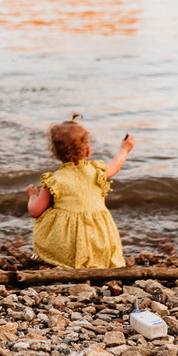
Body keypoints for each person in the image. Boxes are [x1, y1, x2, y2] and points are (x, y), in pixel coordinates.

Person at [24, 114, 133, 269]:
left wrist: (32, 196)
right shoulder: (97, 170)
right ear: (88, 151)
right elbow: (116, 165)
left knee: (48, 216)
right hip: (100, 236)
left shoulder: (54, 180)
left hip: (68, 241)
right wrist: (125, 149)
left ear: (54, 153)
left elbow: (35, 211)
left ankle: (62, 260)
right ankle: (100, 260)